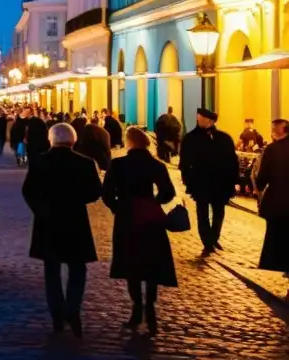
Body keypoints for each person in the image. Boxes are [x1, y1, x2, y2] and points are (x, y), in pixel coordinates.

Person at [22, 123, 101, 337]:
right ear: (73, 141)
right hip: (75, 221)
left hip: (48, 222)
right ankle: (73, 309)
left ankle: (57, 314)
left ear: (51, 140)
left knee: (52, 270)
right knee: (77, 268)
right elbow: (95, 192)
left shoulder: (40, 162)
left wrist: (40, 209)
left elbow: (28, 191)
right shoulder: (85, 163)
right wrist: (76, 199)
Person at [102, 127, 177, 336]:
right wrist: (153, 203)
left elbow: (107, 194)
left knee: (131, 262)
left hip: (127, 218)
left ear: (129, 142)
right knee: (151, 262)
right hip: (150, 219)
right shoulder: (156, 165)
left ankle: (136, 309)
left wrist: (119, 207)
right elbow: (168, 192)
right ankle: (150, 308)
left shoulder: (118, 165)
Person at [180, 107, 238, 255]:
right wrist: (187, 178)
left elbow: (232, 161)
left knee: (219, 211)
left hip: (221, 183)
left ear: (211, 121)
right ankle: (207, 242)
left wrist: (234, 180)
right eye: (199, 117)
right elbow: (184, 162)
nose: (199, 119)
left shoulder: (224, 138)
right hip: (200, 182)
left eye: (203, 118)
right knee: (202, 213)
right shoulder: (190, 138)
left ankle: (214, 237)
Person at [255, 119, 289, 298]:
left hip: (279, 205)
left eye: (274, 128)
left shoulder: (273, 150)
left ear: (281, 129)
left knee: (280, 243)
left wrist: (259, 187)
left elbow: (262, 177)